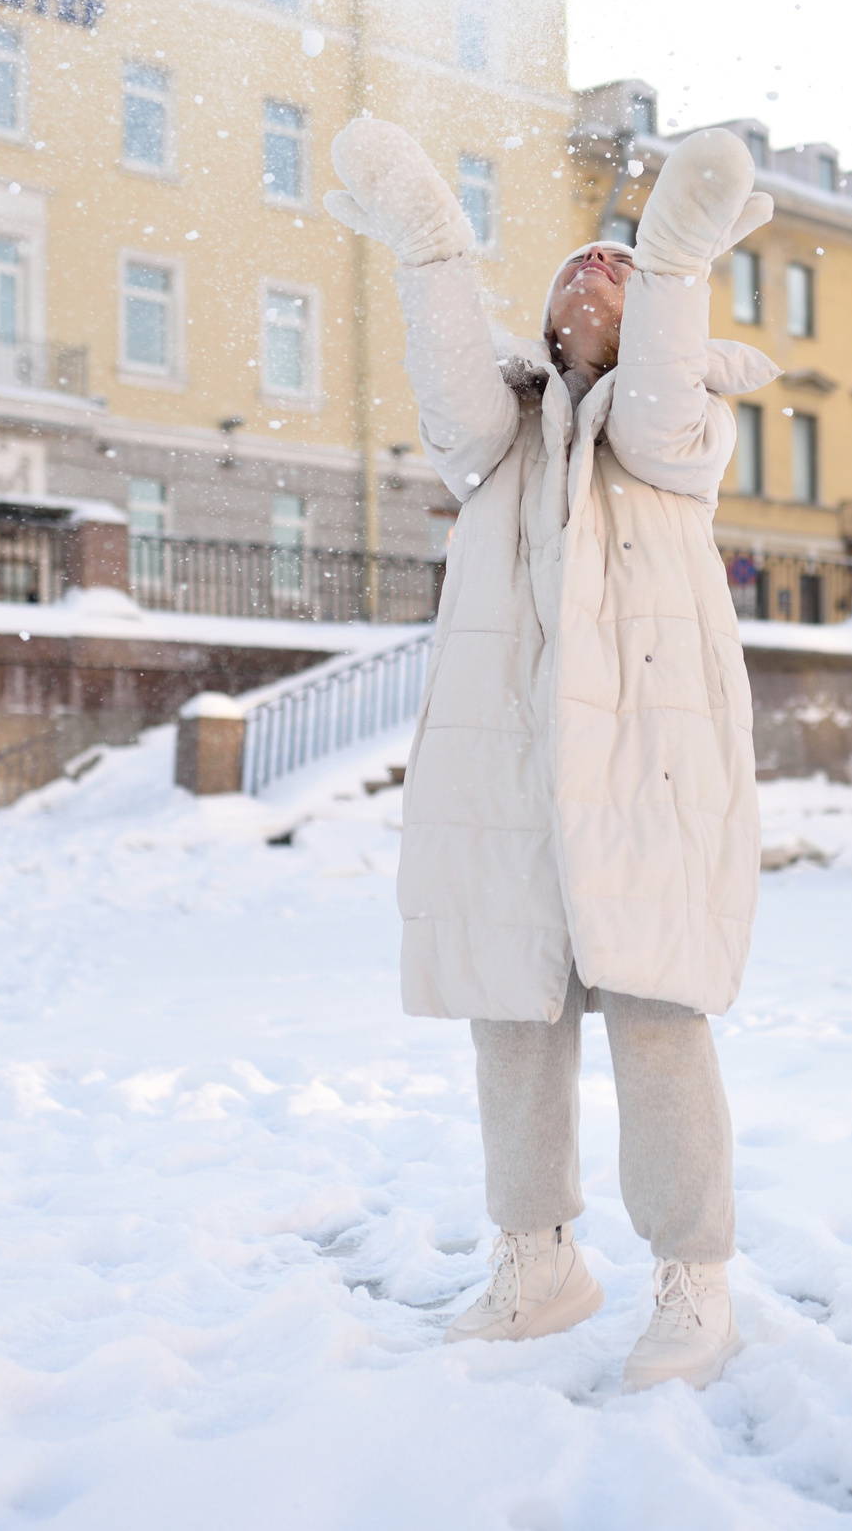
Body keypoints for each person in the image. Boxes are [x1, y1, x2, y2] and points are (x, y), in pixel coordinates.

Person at [324, 120, 777, 1391]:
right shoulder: (500, 448)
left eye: (621, 268)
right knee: (510, 1017)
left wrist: (675, 257)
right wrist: (430, 248)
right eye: (580, 262)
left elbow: (659, 399)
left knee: (656, 1014)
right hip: (510, 780)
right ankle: (539, 1261)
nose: (596, 267)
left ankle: (695, 1283)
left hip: (648, 776)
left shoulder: (670, 442)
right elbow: (455, 393)